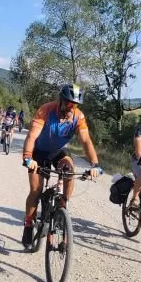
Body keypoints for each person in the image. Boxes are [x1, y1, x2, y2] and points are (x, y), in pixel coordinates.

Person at [21, 83, 102, 248]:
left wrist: (95, 164)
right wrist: (28, 157)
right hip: (40, 152)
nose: (71, 107)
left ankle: (63, 206)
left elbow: (86, 140)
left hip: (58, 151)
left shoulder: (78, 117)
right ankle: (28, 224)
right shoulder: (46, 110)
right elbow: (32, 135)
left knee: (69, 169)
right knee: (35, 191)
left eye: (75, 105)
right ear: (61, 100)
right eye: (68, 103)